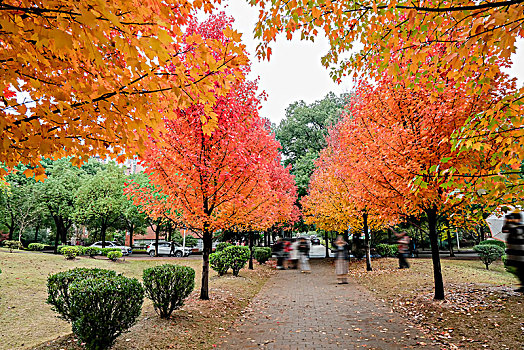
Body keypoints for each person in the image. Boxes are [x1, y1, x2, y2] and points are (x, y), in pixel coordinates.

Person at [502, 212, 524, 292]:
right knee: (519, 271)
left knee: (521, 270)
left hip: (521, 254)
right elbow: (504, 229)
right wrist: (507, 221)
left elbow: (515, 231)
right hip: (515, 254)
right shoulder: (511, 226)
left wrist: (510, 222)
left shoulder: (520, 227)